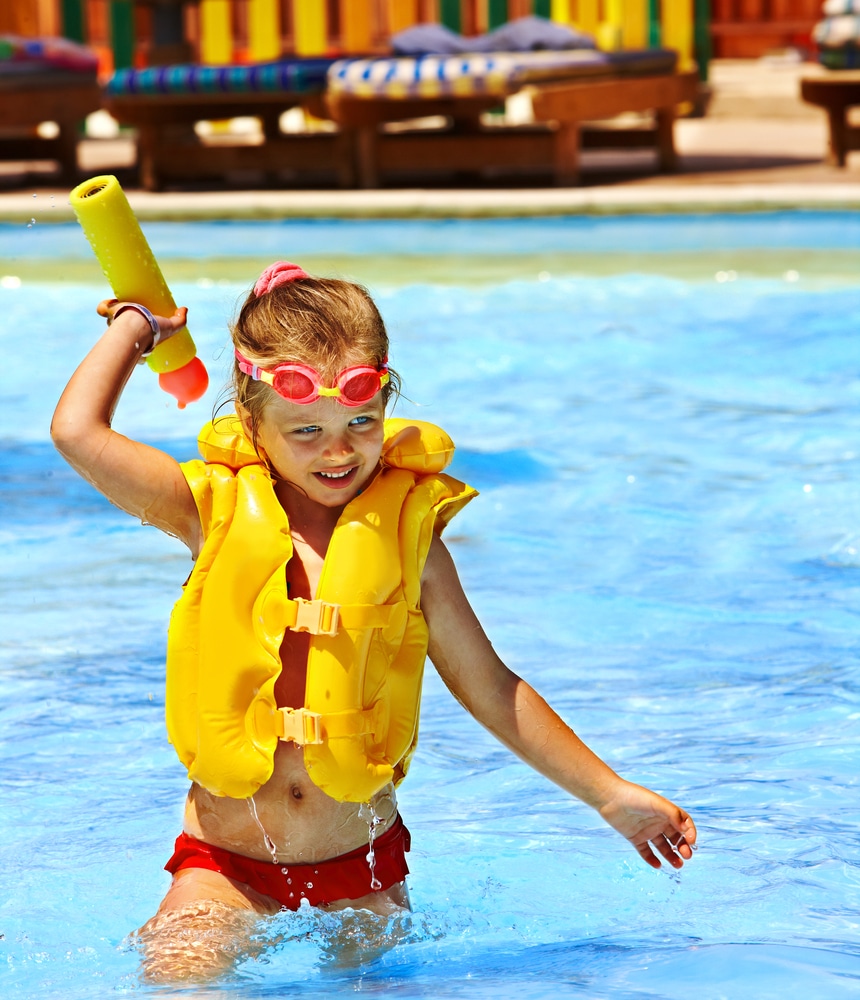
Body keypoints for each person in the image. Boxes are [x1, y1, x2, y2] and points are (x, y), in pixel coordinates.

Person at [51, 261, 696, 982]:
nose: (338, 450)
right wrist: (138, 329)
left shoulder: (412, 545)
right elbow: (77, 432)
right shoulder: (207, 512)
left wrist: (612, 796)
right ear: (251, 417)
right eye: (306, 430)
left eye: (361, 422)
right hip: (224, 863)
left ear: (387, 401)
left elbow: (490, 687)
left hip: (360, 870)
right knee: (177, 976)